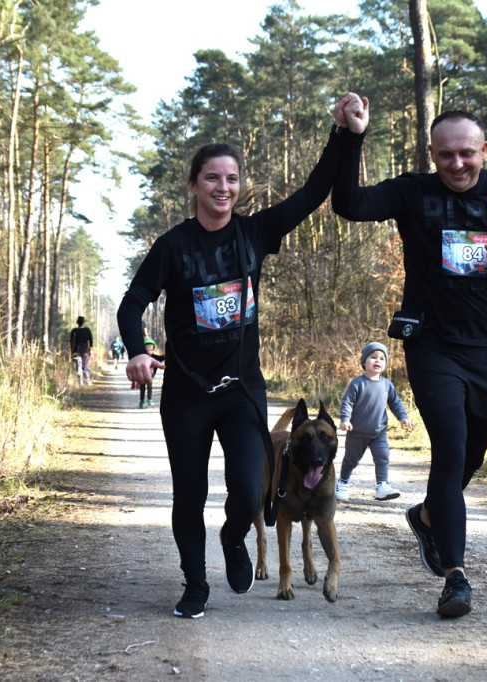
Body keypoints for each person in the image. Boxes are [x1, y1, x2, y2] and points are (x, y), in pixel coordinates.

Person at [117, 95, 359, 619]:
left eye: (231, 179)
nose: (222, 188)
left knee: (251, 492)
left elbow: (314, 191)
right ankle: (194, 584)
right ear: (194, 185)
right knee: (189, 492)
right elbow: (133, 303)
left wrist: (343, 134)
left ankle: (233, 539)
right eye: (211, 178)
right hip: (186, 393)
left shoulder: (255, 234)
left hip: (242, 390)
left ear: (238, 185)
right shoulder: (173, 246)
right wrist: (137, 350)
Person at [331, 95, 487, 618]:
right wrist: (351, 137)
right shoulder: (414, 192)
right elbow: (349, 204)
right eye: (446, 155)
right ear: (432, 153)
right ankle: (456, 576)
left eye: (466, 154)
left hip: (486, 348)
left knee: (472, 453)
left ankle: (430, 515)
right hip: (431, 343)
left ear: (483, 150)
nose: (457, 164)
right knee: (451, 450)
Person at [336, 342, 415, 503]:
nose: (377, 361)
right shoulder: (358, 383)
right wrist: (345, 420)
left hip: (379, 432)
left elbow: (395, 403)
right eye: (373, 358)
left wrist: (403, 417)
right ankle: (343, 483)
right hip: (357, 432)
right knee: (351, 460)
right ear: (364, 362)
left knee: (383, 457)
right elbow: (347, 403)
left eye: (381, 359)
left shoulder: (387, 384)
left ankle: (382, 486)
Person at [137, 337, 164, 408]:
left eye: (151, 350)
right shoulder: (142, 357)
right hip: (142, 376)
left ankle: (149, 399)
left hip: (150, 376)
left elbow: (160, 359)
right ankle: (142, 401)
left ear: (153, 350)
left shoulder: (154, 357)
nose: (149, 351)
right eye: (147, 349)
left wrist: (164, 356)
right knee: (142, 388)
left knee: (149, 386)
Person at [69, 316, 94, 385]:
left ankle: (80, 381)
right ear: (83, 322)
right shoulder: (87, 330)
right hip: (85, 351)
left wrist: (71, 353)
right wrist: (90, 350)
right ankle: (88, 380)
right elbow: (91, 341)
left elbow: (71, 343)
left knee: (78, 366)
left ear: (77, 323)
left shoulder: (74, 331)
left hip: (76, 351)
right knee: (84, 366)